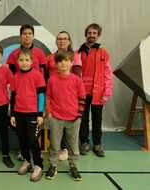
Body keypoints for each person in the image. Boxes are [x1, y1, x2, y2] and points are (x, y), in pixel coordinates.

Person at [6, 24, 47, 161]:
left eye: (29, 33)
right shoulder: (13, 54)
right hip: (20, 98)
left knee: (34, 129)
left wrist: (41, 103)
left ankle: (36, 153)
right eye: (24, 33)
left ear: (33, 35)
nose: (27, 36)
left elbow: (44, 73)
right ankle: (24, 153)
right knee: (22, 131)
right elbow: (10, 74)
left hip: (34, 97)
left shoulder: (40, 53)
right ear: (21, 36)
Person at [45, 51, 86, 181]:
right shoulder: (52, 79)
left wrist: (79, 114)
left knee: (73, 144)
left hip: (73, 118)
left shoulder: (76, 80)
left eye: (66, 60)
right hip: (56, 118)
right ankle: (53, 165)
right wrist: (49, 113)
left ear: (71, 63)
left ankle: (73, 166)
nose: (63, 63)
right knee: (55, 144)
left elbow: (82, 97)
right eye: (60, 61)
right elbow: (48, 97)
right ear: (56, 64)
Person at [10, 49, 46, 182]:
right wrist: (12, 114)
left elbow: (41, 95)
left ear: (31, 61)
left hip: (33, 114)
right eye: (21, 60)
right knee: (22, 139)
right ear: (17, 62)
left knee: (32, 139)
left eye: (27, 60)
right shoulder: (15, 77)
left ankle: (38, 165)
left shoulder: (37, 75)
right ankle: (27, 160)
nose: (24, 63)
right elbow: (13, 97)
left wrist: (40, 114)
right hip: (19, 113)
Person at [78, 23, 113, 157]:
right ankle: (84, 142)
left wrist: (107, 92)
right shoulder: (78, 52)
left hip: (98, 93)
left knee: (97, 119)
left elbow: (108, 73)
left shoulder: (103, 52)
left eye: (94, 33)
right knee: (84, 119)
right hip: (82, 92)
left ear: (98, 35)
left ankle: (97, 144)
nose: (92, 35)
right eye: (90, 33)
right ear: (85, 34)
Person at [46, 31, 82, 161]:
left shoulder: (75, 56)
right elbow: (46, 77)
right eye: (59, 39)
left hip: (70, 101)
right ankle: (56, 153)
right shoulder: (50, 57)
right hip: (55, 100)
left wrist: (79, 110)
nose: (62, 41)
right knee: (55, 132)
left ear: (69, 41)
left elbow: (78, 79)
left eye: (65, 39)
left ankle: (69, 153)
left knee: (71, 133)